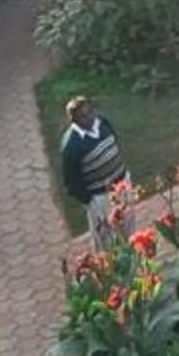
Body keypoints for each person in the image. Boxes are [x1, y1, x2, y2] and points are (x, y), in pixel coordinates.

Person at [59, 94, 130, 244]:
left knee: (129, 226)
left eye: (91, 112)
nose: (90, 118)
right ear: (74, 120)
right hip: (100, 197)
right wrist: (89, 201)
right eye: (84, 117)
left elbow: (114, 141)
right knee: (106, 239)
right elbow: (71, 182)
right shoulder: (71, 145)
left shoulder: (102, 122)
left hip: (122, 184)